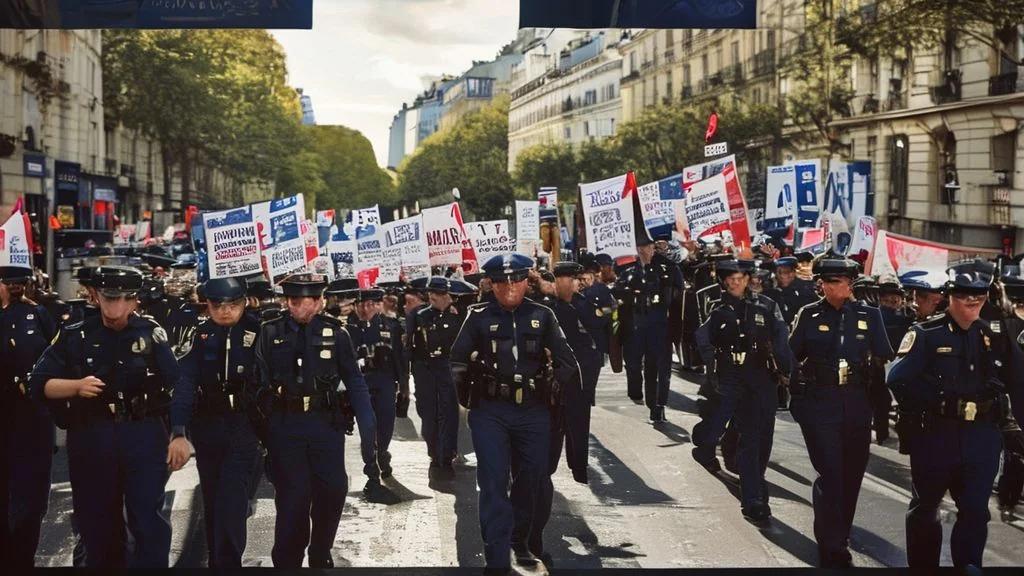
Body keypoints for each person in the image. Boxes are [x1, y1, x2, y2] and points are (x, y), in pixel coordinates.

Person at [29, 265, 182, 568]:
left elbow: (178, 385)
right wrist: (76, 386)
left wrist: (179, 433)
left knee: (148, 522)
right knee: (97, 525)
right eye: (110, 298)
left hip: (142, 433)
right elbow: (38, 383)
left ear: (135, 300)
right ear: (97, 296)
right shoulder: (76, 335)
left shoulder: (151, 334)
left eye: (125, 298)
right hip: (93, 436)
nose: (117, 307)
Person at [887, 260, 1024, 570]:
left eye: (979, 294)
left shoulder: (994, 335)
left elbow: (1018, 382)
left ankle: (968, 567)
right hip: (936, 435)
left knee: (975, 512)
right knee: (926, 509)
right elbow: (897, 379)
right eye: (963, 294)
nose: (972, 300)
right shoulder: (926, 333)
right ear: (949, 295)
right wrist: (935, 402)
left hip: (981, 438)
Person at [450, 253, 580, 574]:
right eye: (501, 282)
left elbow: (567, 362)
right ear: (491, 285)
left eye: (516, 280)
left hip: (533, 410)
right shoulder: (478, 317)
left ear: (526, 282)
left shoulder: (543, 316)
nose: (509, 287)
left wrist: (555, 391)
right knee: (493, 480)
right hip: (490, 411)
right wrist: (469, 399)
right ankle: (496, 557)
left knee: (533, 476)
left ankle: (519, 539)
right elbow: (457, 362)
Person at [253, 273, 377, 568]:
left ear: (320, 301)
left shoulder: (337, 334)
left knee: (333, 490)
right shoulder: (270, 332)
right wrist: (264, 433)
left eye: (307, 300)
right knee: (293, 498)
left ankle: (320, 549)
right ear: (287, 301)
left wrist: (368, 425)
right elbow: (257, 384)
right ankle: (288, 561)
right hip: (286, 426)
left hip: (326, 424)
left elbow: (354, 381)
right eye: (294, 301)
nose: (300, 307)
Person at [788, 256, 893, 568]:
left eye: (842, 281)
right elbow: (790, 356)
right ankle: (830, 543)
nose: (838, 286)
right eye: (830, 281)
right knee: (830, 473)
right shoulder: (809, 314)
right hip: (820, 401)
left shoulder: (869, 315)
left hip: (858, 401)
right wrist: (797, 398)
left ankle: (840, 534)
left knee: (852, 473)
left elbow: (884, 355)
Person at [168, 276, 262, 567]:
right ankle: (216, 563)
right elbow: (185, 383)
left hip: (244, 426)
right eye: (217, 305)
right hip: (208, 426)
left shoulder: (261, 332)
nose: (225, 311)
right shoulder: (199, 336)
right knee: (212, 501)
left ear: (244, 303)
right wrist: (178, 430)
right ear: (207, 305)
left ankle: (228, 564)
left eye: (232, 304)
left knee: (231, 502)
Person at [692, 259, 792, 524]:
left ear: (748, 279)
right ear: (724, 282)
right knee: (747, 438)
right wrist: (713, 367)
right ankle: (753, 499)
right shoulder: (718, 310)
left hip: (762, 378)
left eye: (740, 278)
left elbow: (781, 340)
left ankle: (754, 486)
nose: (735, 283)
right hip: (732, 378)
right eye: (731, 280)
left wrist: (787, 372)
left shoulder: (766, 306)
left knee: (762, 440)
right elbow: (703, 339)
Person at [516, 261, 597, 564]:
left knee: (542, 474)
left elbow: (577, 359)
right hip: (516, 410)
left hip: (550, 407)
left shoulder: (558, 311)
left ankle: (532, 536)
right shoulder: (500, 315)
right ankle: (522, 535)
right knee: (524, 474)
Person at [0, 266, 57, 567]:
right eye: (7, 281)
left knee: (31, 498)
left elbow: (56, 358)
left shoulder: (38, 314)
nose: (15, 287)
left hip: (32, 418)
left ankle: (23, 560)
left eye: (19, 281)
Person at [345, 286, 409, 493]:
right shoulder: (346, 329)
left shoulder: (391, 326)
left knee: (386, 425)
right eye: (361, 304)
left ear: (378, 305)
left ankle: (382, 452)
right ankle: (371, 465)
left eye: (370, 304)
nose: (365, 309)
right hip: (360, 384)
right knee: (367, 426)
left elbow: (400, 357)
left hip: (385, 381)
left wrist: (404, 386)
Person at [617, 236, 683, 421]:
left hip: (660, 326)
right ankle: (638, 393)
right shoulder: (627, 268)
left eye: (646, 245)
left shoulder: (668, 268)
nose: (642, 249)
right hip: (636, 325)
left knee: (659, 368)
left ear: (653, 246)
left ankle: (658, 405)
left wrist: (676, 331)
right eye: (639, 246)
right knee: (634, 364)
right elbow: (619, 296)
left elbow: (679, 299)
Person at [409, 277, 464, 472]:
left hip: (448, 367)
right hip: (426, 368)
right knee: (428, 412)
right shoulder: (420, 315)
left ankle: (447, 453)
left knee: (449, 411)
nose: (433, 296)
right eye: (431, 292)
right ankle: (433, 450)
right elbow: (410, 345)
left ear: (447, 295)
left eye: (438, 293)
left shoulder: (459, 315)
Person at [873, 276, 913, 444]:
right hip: (882, 363)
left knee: (885, 401)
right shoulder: (881, 316)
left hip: (896, 363)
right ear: (881, 300)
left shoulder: (905, 317)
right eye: (888, 300)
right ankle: (883, 433)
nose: (892, 302)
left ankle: (884, 432)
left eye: (895, 300)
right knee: (882, 400)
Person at [764, 256, 817, 326]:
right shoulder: (770, 292)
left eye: (788, 272)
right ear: (775, 274)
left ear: (794, 272)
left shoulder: (805, 289)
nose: (783, 275)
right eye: (780, 272)